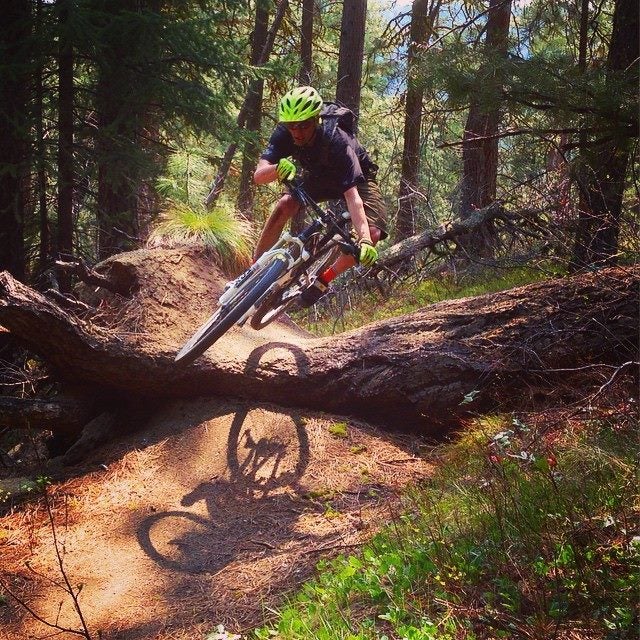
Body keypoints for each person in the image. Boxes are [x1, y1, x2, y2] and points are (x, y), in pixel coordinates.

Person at [253, 85, 388, 307]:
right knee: (286, 203)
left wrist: (363, 239)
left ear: (316, 119)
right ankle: (254, 270)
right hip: (320, 176)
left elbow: (353, 197)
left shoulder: (338, 141)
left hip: (357, 179)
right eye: (291, 126)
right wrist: (277, 168)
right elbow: (259, 176)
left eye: (304, 125)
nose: (297, 132)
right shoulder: (284, 133)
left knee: (372, 233)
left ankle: (323, 281)